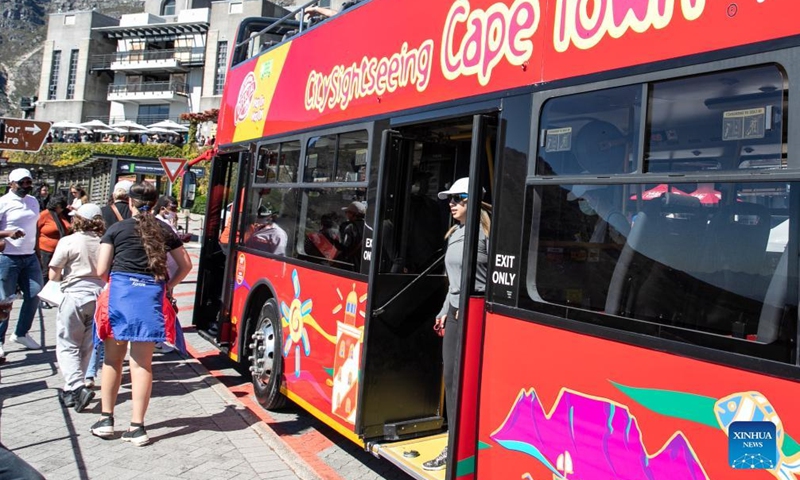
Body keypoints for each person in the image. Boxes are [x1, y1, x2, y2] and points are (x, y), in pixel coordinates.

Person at [90, 182, 191, 446]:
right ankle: (137, 426)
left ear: (130, 203)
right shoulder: (164, 229)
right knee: (142, 364)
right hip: (150, 296)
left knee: (112, 361)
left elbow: (102, 270)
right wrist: (167, 286)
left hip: (120, 297)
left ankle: (106, 419)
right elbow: (185, 265)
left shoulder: (116, 229)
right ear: (155, 203)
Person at [422, 177, 490, 472]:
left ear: (473, 200)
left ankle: (461, 446)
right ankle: (454, 441)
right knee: (450, 378)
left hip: (475, 316)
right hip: (455, 313)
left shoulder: (487, 233)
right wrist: (443, 309)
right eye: (449, 199)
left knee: (465, 380)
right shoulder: (455, 233)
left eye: (458, 198)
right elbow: (454, 282)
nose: (451, 204)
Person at [48, 203, 106, 413]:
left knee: (67, 344)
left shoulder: (69, 241)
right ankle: (72, 389)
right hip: (99, 296)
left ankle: (76, 387)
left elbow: (54, 274)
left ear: (78, 220)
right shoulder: (105, 242)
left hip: (74, 295)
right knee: (87, 346)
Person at [0, 168, 44, 362]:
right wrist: (7, 233)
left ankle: (21, 333)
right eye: (22, 183)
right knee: (4, 301)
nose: (26, 186)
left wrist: (37, 252)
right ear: (11, 184)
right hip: (7, 257)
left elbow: (34, 228)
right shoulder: (3, 203)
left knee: (35, 293)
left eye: (28, 182)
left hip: (29, 256)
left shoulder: (33, 201)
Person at [36, 195, 70, 292]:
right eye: (60, 207)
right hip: (45, 249)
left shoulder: (62, 215)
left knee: (56, 272)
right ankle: (42, 294)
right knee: (45, 272)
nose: (62, 209)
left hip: (59, 249)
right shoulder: (44, 215)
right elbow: (36, 230)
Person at [334, 201, 366, 271]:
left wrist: (335, 241)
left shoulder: (350, 227)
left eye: (347, 212)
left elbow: (345, 247)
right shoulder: (367, 226)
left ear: (353, 214)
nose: (346, 215)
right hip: (362, 265)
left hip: (350, 265)